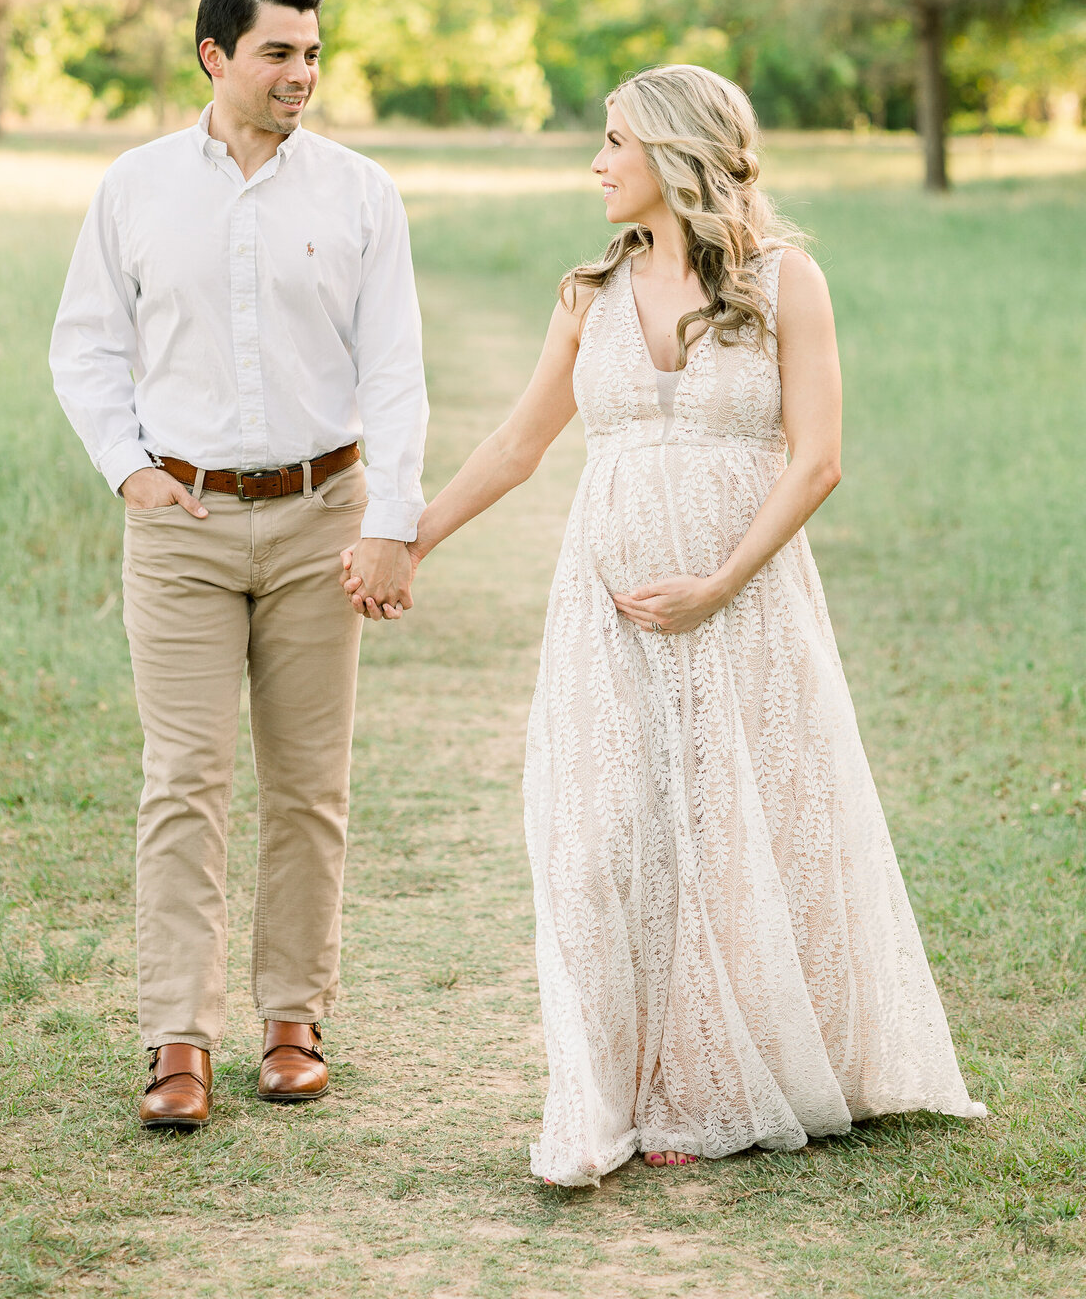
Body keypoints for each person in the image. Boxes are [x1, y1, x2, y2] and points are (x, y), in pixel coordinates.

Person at [345, 64, 985, 1186]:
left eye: (614, 141)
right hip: (604, 614)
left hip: (745, 604)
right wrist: (413, 537)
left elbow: (818, 459)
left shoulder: (787, 282)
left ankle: (717, 1078)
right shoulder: (586, 294)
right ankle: (617, 1081)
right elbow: (516, 447)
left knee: (739, 828)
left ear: (677, 157)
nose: (595, 162)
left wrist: (721, 581)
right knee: (604, 832)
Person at [50, 0, 426, 1129]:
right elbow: (86, 346)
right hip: (183, 529)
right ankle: (177, 1039)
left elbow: (396, 376)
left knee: (310, 787)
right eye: (278, 54)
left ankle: (294, 1021)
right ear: (214, 56)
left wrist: (392, 523)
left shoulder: (362, 194)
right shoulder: (136, 188)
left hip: (323, 516)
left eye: (313, 55)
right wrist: (131, 469)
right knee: (184, 781)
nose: (301, 77)